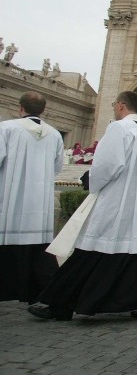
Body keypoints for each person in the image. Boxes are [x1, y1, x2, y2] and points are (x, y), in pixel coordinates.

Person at [30, 91, 137, 321]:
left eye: (114, 104)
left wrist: (91, 182)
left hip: (116, 203)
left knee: (90, 252)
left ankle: (60, 305)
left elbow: (107, 166)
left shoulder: (120, 128)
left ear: (121, 105)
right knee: (136, 257)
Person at [0, 92, 64, 303]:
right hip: (40, 200)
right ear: (43, 110)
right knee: (38, 244)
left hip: (10, 197)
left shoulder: (6, 128)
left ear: (20, 108)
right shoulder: (54, 134)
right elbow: (57, 167)